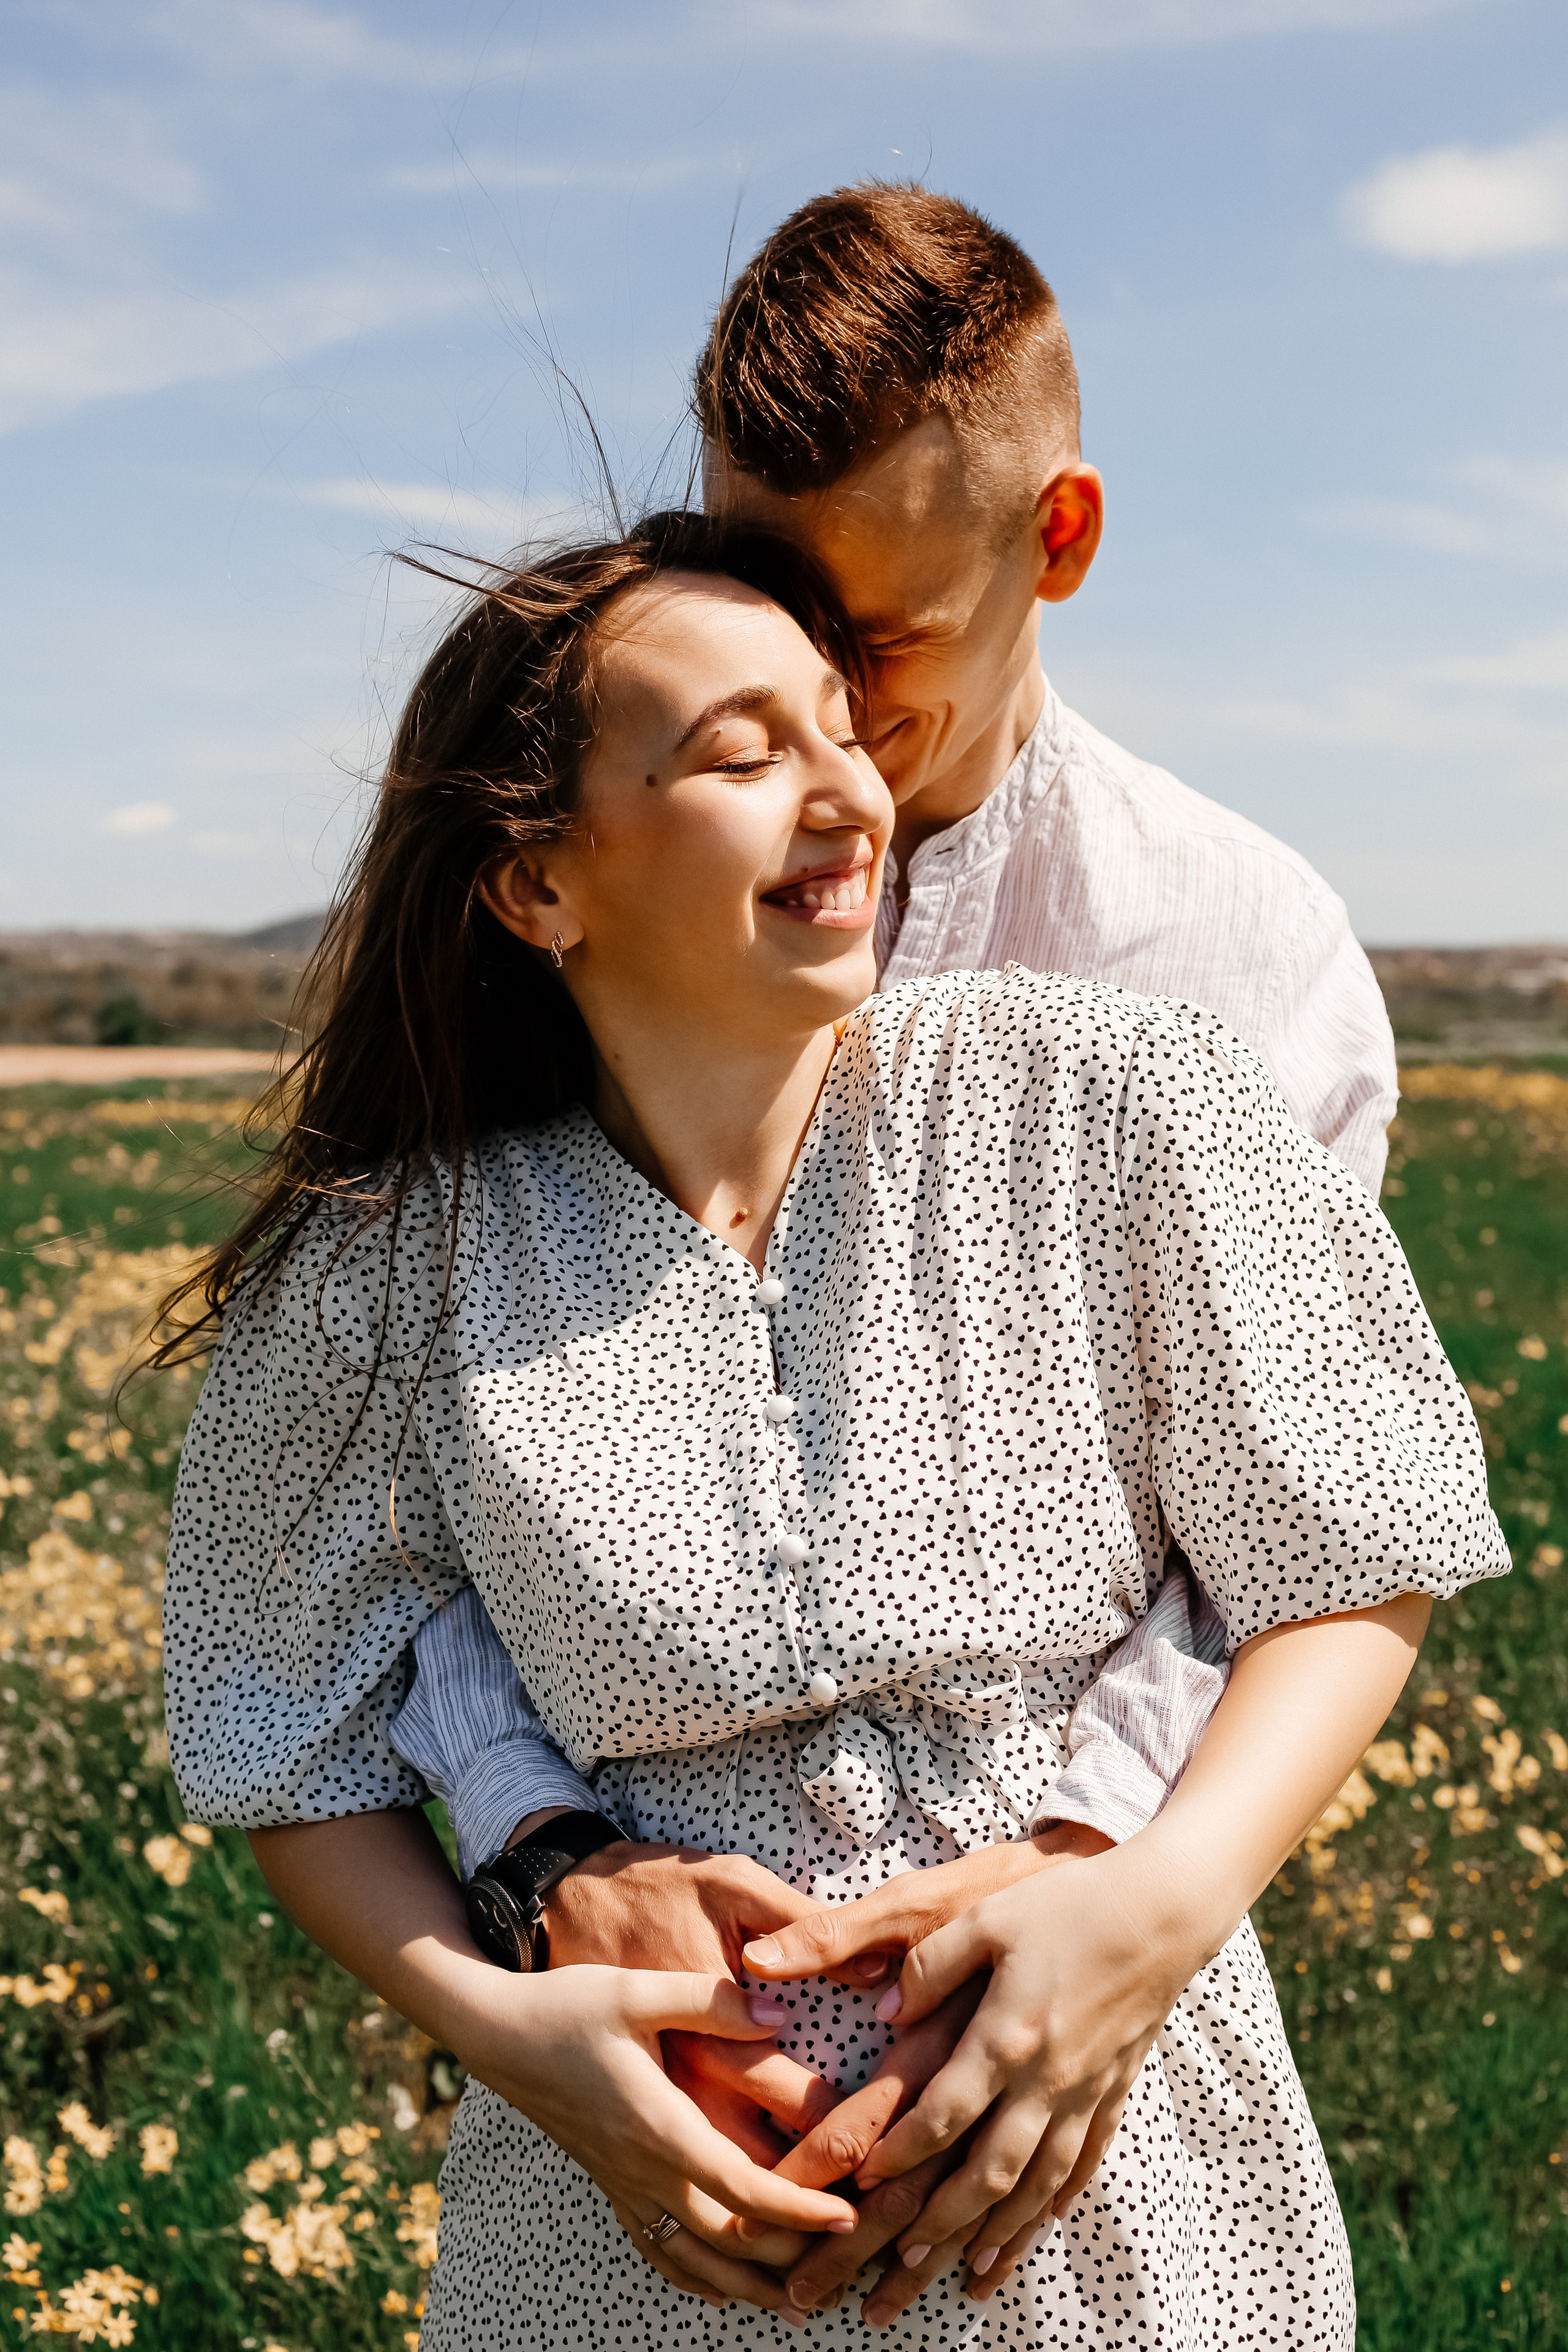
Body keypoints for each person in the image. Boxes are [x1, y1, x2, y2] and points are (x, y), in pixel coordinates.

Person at [161, 510, 1507, 2350]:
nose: (849, 795)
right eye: (737, 751)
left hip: (1122, 2203)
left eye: (840, 729)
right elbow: (287, 1744)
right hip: (627, 2242)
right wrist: (509, 2037)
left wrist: (1156, 1911)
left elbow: (1352, 1560)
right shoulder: (393, 1273)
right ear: (537, 886)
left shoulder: (1110, 1105)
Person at [382, 181, 1406, 2317]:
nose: (827, 707)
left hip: (1086, 2046)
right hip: (649, 2079)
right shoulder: (584, 901)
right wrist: (552, 1860)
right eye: (768, 610)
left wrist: (1095, 1898)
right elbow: (423, 1480)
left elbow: (1290, 1526)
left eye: (883, 647)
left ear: (1061, 540)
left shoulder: (1236, 962)